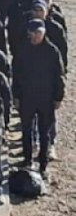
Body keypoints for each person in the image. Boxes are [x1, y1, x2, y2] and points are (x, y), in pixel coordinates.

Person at [12, 19, 65, 176]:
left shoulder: (52, 51)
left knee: (44, 132)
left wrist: (58, 97)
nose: (35, 36)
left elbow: (59, 77)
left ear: (44, 33)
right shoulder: (22, 50)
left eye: (38, 33)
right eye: (32, 32)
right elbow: (16, 76)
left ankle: (43, 163)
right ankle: (27, 159)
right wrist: (16, 96)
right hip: (27, 97)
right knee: (27, 130)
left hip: (46, 99)